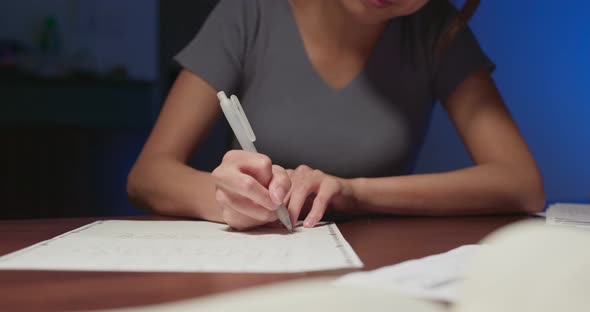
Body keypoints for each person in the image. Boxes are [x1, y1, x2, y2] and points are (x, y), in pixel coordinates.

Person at [127, 0, 545, 231]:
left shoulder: (436, 27)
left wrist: (353, 191)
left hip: (376, 272)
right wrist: (228, 202)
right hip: (254, 265)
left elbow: (520, 182)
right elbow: (149, 175)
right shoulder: (249, 12)